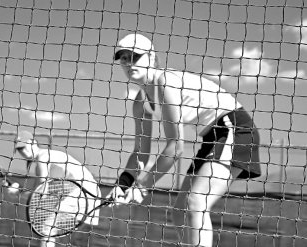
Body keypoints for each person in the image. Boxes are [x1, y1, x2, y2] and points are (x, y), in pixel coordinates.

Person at [108, 33, 261, 247]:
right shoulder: (139, 101)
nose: (127, 62)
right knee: (180, 212)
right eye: (123, 57)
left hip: (235, 128)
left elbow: (176, 145)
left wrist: (142, 186)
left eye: (134, 56)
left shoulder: (164, 82)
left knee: (196, 202)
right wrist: (123, 184)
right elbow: (141, 152)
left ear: (151, 58)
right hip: (212, 137)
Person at [14, 131, 101, 247]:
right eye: (19, 149)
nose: (23, 151)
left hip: (82, 192)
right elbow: (39, 190)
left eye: (24, 146)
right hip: (91, 192)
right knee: (63, 236)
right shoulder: (47, 156)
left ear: (34, 142)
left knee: (47, 229)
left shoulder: (42, 158)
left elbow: (40, 194)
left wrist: (17, 192)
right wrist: (20, 191)